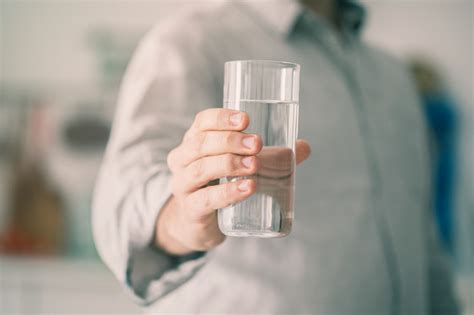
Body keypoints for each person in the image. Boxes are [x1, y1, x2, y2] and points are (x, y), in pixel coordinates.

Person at [92, 0, 460, 313]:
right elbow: (122, 208)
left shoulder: (392, 74)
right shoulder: (189, 43)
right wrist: (181, 218)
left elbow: (423, 237)